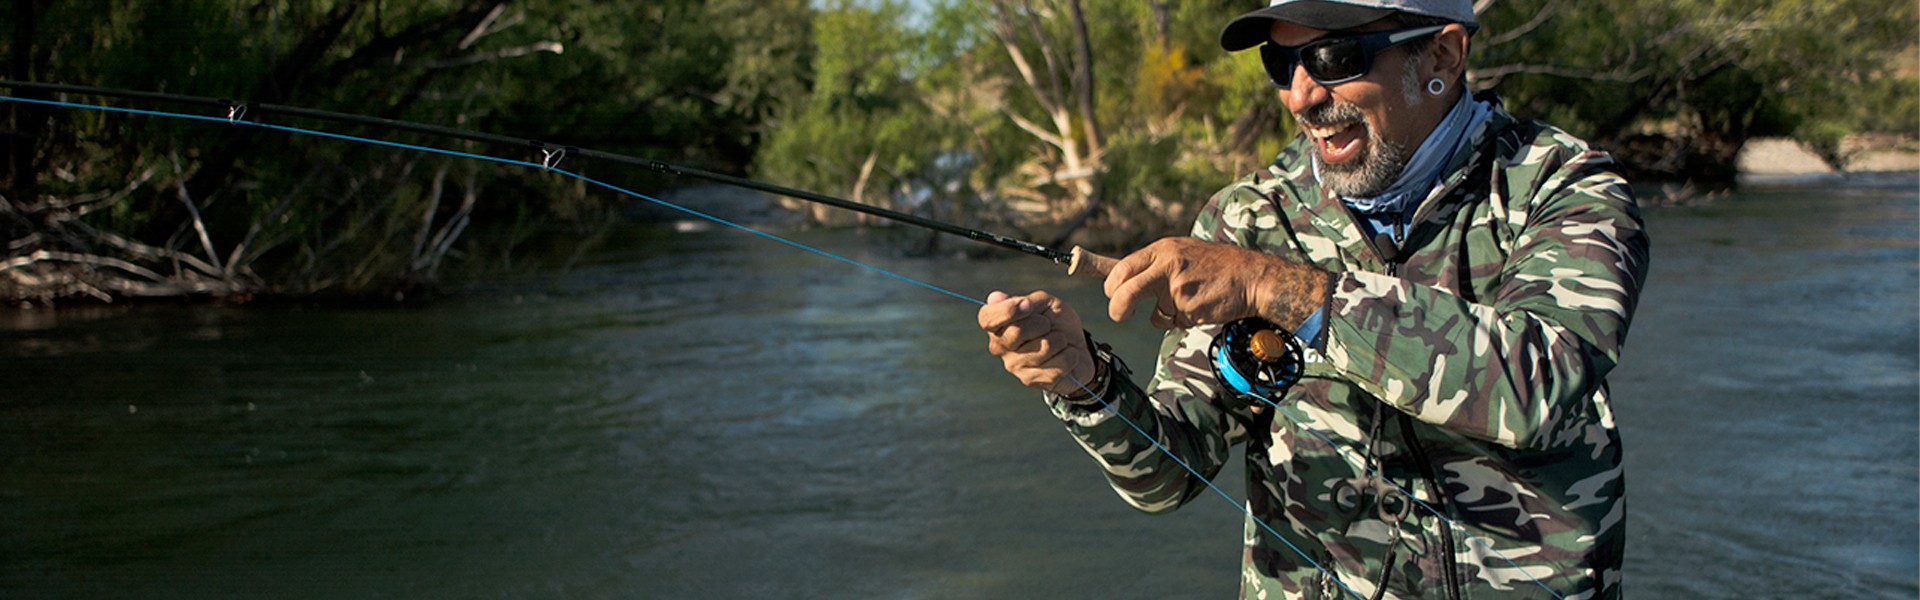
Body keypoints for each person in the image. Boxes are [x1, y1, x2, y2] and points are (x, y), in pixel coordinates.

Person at [977, 0, 1650, 598]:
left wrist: (1275, 288)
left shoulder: (1565, 188)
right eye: (1282, 61)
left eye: (1334, 56)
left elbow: (1536, 383)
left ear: (1441, 53)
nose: (1300, 95)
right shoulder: (1250, 218)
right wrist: (1083, 383)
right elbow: (1168, 474)